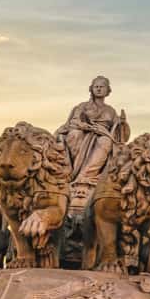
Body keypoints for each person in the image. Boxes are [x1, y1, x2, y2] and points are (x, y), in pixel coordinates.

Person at [56, 76, 129, 213]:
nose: (99, 88)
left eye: (102, 86)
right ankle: (75, 176)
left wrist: (122, 123)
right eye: (96, 86)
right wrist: (89, 128)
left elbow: (119, 134)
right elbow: (73, 123)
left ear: (107, 90)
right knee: (74, 134)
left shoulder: (111, 111)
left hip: (103, 136)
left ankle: (86, 177)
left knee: (105, 141)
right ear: (92, 89)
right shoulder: (82, 107)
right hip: (83, 132)